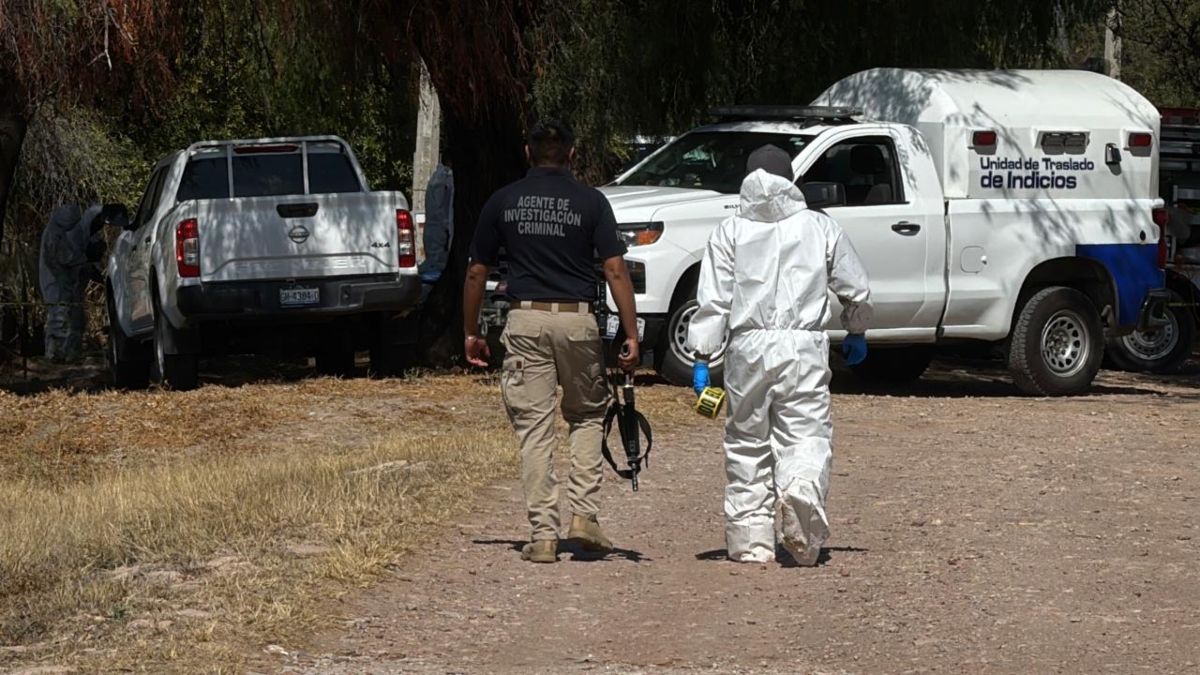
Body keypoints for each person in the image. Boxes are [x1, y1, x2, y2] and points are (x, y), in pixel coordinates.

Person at [463, 118, 640, 564]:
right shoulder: (591, 202)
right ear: (572, 155)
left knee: (535, 429)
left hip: (525, 323)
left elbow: (476, 272)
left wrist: (471, 332)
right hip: (578, 323)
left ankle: (543, 535)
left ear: (527, 153)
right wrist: (631, 332)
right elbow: (615, 270)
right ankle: (584, 516)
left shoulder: (502, 201)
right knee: (585, 416)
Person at [688, 144, 873, 566]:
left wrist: (702, 358)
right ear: (792, 180)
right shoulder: (819, 227)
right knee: (806, 433)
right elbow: (853, 284)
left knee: (746, 443)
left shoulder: (729, 230)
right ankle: (801, 489)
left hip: (747, 350)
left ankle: (750, 542)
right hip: (803, 347)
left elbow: (714, 300)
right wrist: (856, 328)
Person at [39, 203, 89, 362]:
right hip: (56, 282)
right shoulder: (55, 233)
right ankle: (55, 354)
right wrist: (84, 259)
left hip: (59, 282)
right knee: (58, 316)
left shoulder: (56, 230)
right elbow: (65, 257)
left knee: (62, 315)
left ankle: (61, 352)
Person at [418, 155, 454, 302]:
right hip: (440, 250)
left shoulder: (437, 178)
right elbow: (446, 219)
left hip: (435, 249)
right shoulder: (444, 180)